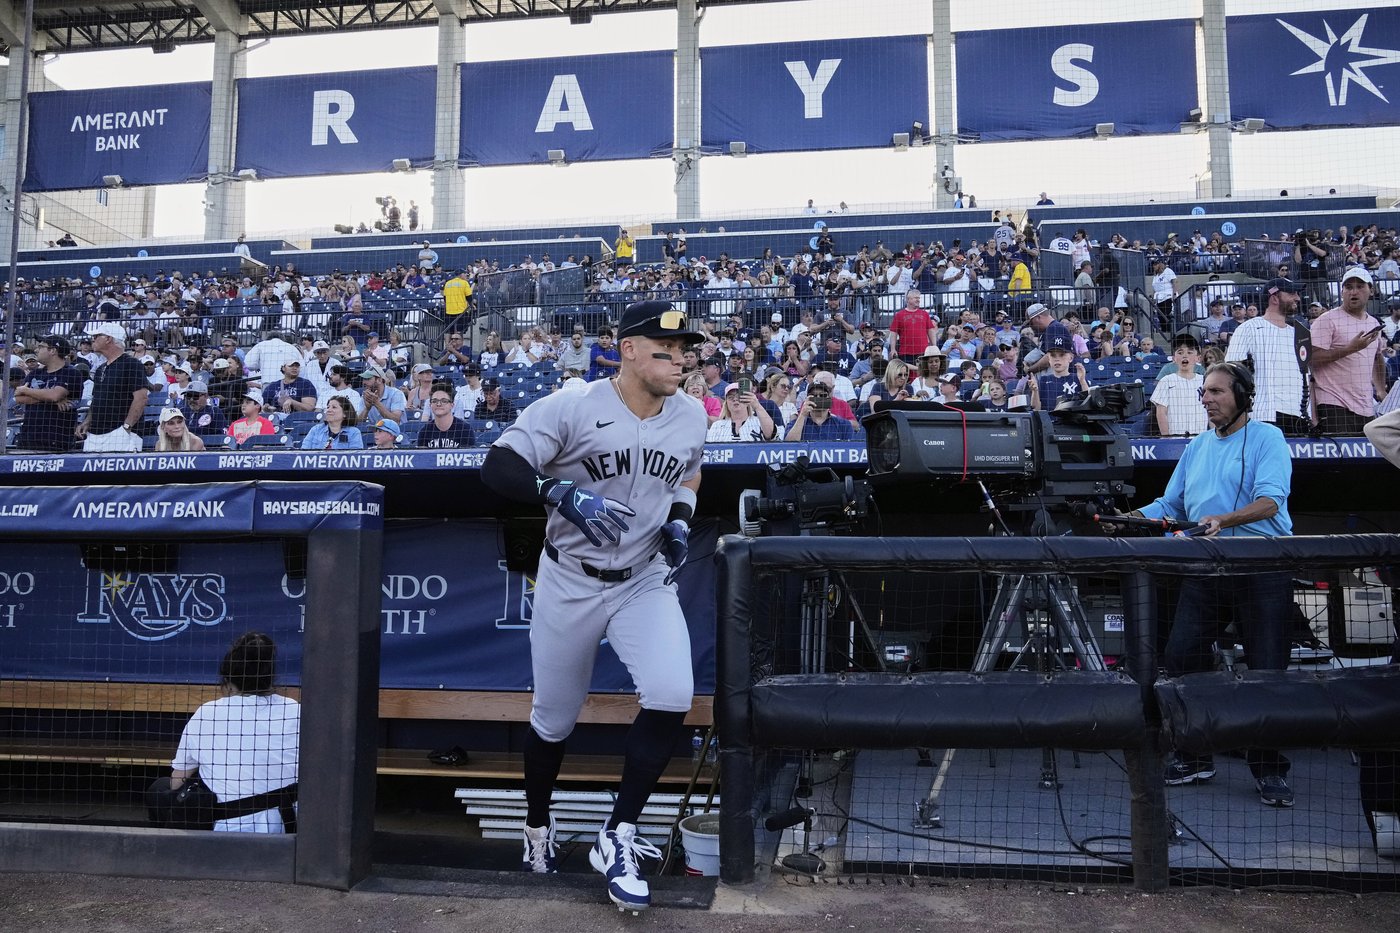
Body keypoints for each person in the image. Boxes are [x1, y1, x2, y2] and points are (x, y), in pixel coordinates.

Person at [479, 300, 706, 912]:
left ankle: (619, 833)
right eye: (666, 350)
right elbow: (496, 465)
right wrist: (558, 492)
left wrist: (680, 520)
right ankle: (536, 829)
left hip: (643, 578)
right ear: (628, 349)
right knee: (553, 719)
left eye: (685, 350)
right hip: (569, 579)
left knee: (671, 694)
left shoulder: (689, 413)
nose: (680, 360)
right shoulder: (574, 405)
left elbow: (689, 474)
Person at [1119, 362, 1295, 808]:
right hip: (1205, 567)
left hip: (1260, 568)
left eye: (1216, 392)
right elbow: (1169, 502)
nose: (1207, 400)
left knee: (1266, 671)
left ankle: (1270, 769)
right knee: (1181, 657)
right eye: (1204, 394)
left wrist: (1224, 519)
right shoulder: (1197, 446)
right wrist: (1129, 520)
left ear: (1243, 396)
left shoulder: (1267, 438)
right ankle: (1196, 755)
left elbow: (1270, 500)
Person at [168, 633, 300, 833]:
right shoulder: (294, 710)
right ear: (270, 677)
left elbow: (176, 781)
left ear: (228, 681)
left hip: (231, 832)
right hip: (290, 827)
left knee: (162, 789)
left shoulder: (208, 713)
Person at [1224, 278, 1311, 435]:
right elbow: (1230, 373)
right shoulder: (1248, 328)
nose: (1297, 298)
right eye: (1291, 293)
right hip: (1263, 415)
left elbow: (1308, 380)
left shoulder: (1299, 334)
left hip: (1299, 417)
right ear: (1275, 297)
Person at [1310, 267, 1385, 436]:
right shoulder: (1326, 320)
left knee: (1367, 461)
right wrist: (1350, 349)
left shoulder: (1374, 323)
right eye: (1349, 287)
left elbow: (1377, 357)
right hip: (1334, 403)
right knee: (1340, 460)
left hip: (1366, 405)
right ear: (1342, 291)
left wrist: (1380, 389)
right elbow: (1310, 358)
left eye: (1360, 286)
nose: (1354, 291)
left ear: (1371, 291)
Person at [76, 322, 148, 452]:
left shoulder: (132, 364)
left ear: (108, 338)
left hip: (120, 433)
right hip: (95, 433)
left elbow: (141, 398)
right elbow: (96, 399)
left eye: (97, 336)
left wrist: (126, 427)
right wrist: (87, 421)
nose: (93, 339)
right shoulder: (100, 369)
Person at [12, 335, 83, 453]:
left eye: (40, 346)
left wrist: (27, 391)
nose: (36, 350)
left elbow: (54, 395)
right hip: (29, 437)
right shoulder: (35, 373)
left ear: (52, 350)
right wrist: (50, 398)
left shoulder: (71, 373)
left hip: (57, 440)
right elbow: (18, 398)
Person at [1151, 336, 1207, 437]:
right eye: (1180, 353)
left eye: (1190, 353)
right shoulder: (1166, 381)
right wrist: (1166, 437)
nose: (1185, 356)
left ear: (1198, 358)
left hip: (1200, 438)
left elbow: (1211, 410)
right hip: (1174, 438)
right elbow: (1161, 412)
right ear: (1174, 358)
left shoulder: (1205, 381)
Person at [785, 380, 856, 441]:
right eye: (814, 396)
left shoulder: (844, 425)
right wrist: (803, 414)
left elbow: (850, 451)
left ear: (829, 398)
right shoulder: (795, 424)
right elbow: (789, 445)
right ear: (807, 399)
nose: (818, 398)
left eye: (822, 395)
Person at [705, 381, 776, 443]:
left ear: (747, 400)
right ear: (726, 403)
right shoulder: (717, 426)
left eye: (739, 396)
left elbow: (770, 435)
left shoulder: (759, 422)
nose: (735, 399)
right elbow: (710, 451)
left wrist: (757, 406)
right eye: (731, 397)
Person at [888, 289, 936, 364]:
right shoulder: (899, 315)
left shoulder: (925, 314)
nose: (918, 300)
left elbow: (931, 330)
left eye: (919, 298)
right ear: (908, 299)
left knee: (923, 374)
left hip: (923, 352)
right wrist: (893, 349)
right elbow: (893, 333)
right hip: (905, 352)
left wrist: (934, 346)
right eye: (916, 298)